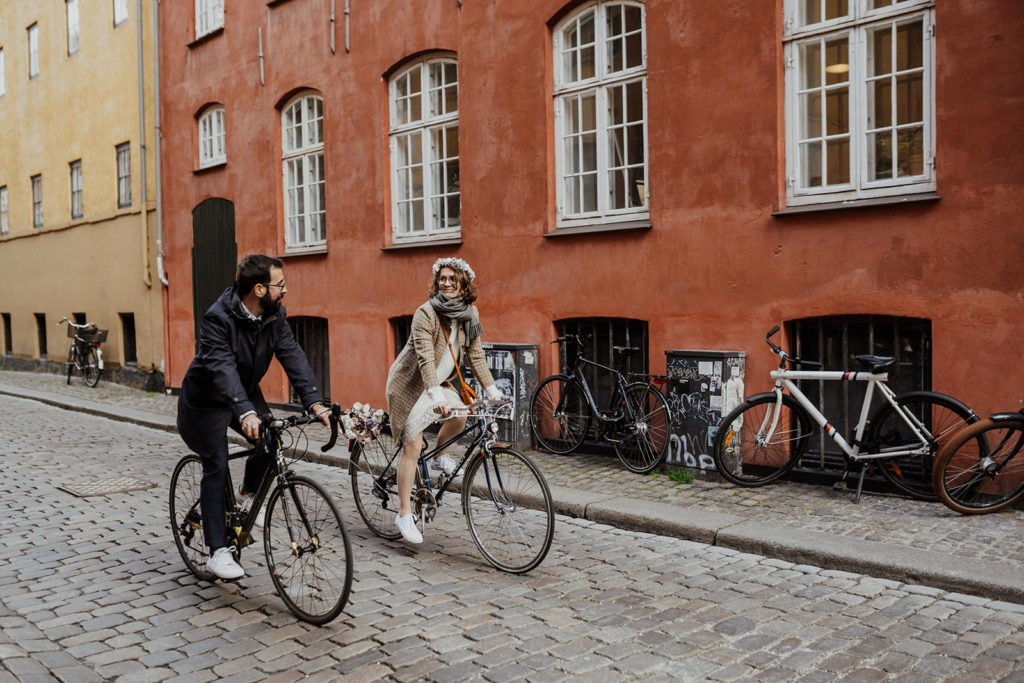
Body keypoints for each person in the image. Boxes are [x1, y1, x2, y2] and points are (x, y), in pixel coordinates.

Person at [177, 254, 329, 580]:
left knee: (271, 436)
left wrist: (315, 402)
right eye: (280, 285)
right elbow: (222, 368)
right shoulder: (217, 319)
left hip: (243, 392)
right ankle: (217, 552)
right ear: (259, 289)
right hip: (205, 402)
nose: (285, 290)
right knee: (216, 463)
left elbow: (292, 356)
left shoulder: (274, 316)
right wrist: (244, 411)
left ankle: (247, 496)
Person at [385, 257, 504, 544]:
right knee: (412, 445)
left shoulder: (470, 314)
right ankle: (403, 515)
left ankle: (438, 457)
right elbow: (426, 359)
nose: (447, 283)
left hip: (440, 384)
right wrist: (436, 397)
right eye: (443, 278)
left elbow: (476, 357)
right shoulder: (425, 313)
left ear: (464, 285)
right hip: (411, 387)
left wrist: (493, 393)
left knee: (460, 415)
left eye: (453, 279)